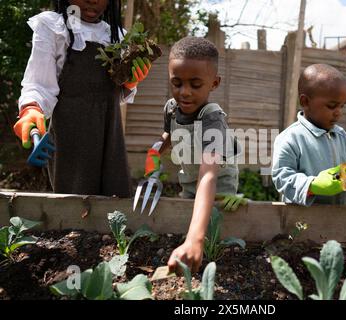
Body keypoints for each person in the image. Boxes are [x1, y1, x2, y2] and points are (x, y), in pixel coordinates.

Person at [13, 0, 152, 197]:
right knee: (71, 208)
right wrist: (31, 109)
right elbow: (39, 84)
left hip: (110, 137)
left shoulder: (117, 37)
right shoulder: (53, 28)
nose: (93, 0)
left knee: (114, 206)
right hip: (69, 139)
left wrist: (129, 83)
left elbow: (113, 96)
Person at [143, 36, 244, 273]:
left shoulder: (212, 118)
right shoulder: (171, 108)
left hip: (217, 190)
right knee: (183, 221)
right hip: (188, 183)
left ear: (214, 83)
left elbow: (208, 175)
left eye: (195, 85)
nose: (184, 92)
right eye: (176, 83)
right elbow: (167, 136)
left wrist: (195, 239)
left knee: (214, 237)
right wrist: (154, 153)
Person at [272, 64, 346, 207]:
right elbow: (282, 177)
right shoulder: (291, 138)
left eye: (342, 106)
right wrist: (312, 185)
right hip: (301, 222)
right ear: (305, 102)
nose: (338, 112)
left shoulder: (342, 137)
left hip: (338, 220)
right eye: (331, 106)